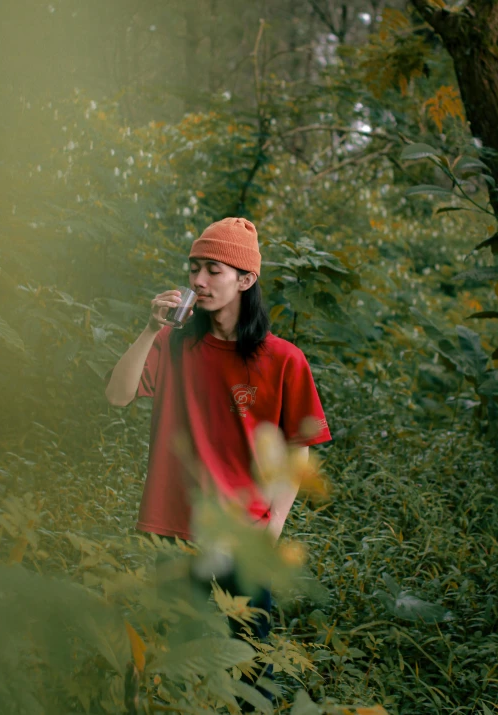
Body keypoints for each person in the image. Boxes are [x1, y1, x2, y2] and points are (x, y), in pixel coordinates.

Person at [105, 217, 331, 706]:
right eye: (194, 269)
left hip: (242, 535)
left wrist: (272, 528)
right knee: (172, 659)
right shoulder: (174, 344)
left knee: (252, 667)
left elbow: (299, 450)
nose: (198, 281)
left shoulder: (284, 359)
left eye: (213, 270)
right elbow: (118, 395)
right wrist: (149, 329)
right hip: (174, 526)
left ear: (246, 280)